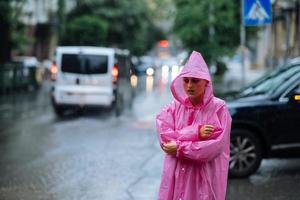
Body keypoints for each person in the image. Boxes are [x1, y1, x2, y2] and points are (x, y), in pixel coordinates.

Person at [156, 51, 232, 200]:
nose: (189, 85)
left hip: (204, 181)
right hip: (175, 178)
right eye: (186, 80)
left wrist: (179, 147)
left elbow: (211, 149)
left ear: (206, 82)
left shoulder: (218, 109)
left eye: (195, 80)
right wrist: (196, 133)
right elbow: (165, 140)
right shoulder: (173, 108)